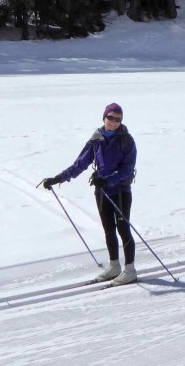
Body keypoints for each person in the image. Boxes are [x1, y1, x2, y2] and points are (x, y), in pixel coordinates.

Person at [41, 102, 138, 285]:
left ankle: (130, 270)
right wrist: (58, 179)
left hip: (120, 191)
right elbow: (79, 165)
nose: (114, 122)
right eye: (110, 117)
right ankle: (114, 266)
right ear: (104, 117)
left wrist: (108, 180)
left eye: (118, 119)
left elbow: (127, 169)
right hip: (102, 192)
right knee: (109, 229)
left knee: (123, 229)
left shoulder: (126, 140)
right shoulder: (96, 140)